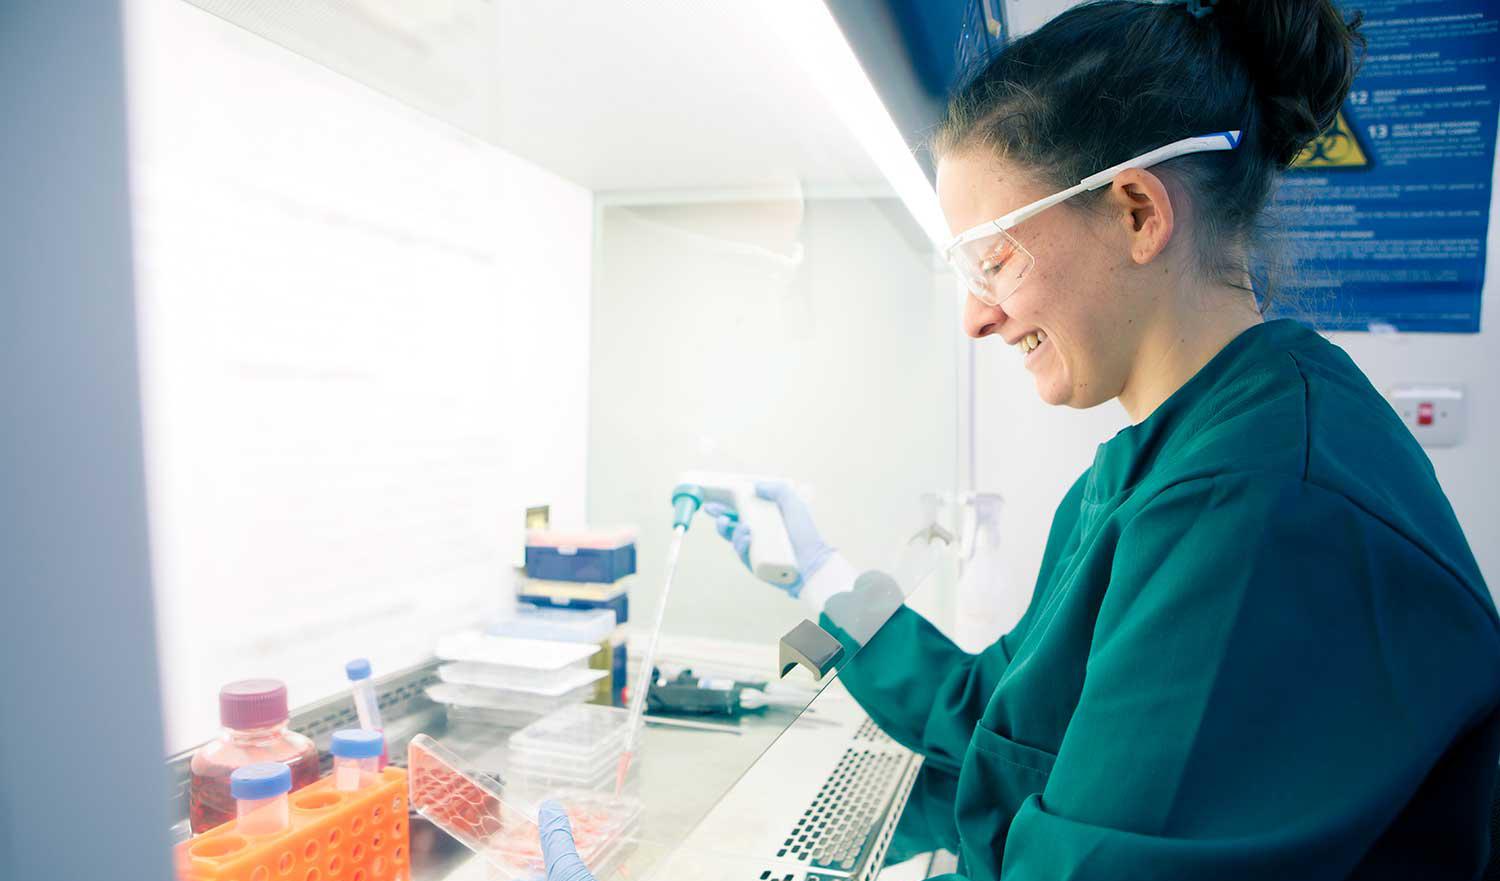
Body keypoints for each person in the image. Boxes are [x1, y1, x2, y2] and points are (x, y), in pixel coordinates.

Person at [537, 0, 1500, 878]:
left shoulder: (1260, 501)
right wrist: (823, 580)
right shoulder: (1162, 460)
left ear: (1136, 213)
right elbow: (1001, 720)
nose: (976, 317)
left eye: (993, 259)